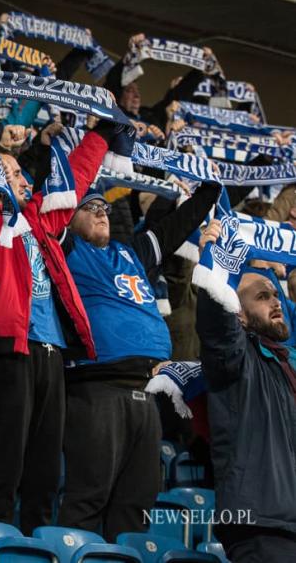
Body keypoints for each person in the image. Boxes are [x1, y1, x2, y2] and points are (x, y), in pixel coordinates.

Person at [0, 121, 113, 534]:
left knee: (44, 468)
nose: (22, 178)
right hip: (7, 349)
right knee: (8, 462)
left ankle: (35, 549)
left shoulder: (40, 221)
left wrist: (103, 135)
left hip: (51, 352)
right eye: (12, 172)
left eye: (21, 172)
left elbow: (71, 180)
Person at [57, 181, 220, 541]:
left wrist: (209, 192)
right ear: (69, 214)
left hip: (147, 392)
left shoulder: (130, 251)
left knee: (136, 506)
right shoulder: (67, 248)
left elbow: (173, 229)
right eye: (90, 207)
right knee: (89, 497)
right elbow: (54, 199)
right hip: (97, 388)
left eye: (104, 207)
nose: (102, 212)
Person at [194, 228, 296, 562]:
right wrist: (216, 265)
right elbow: (215, 323)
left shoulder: (287, 362)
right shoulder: (236, 360)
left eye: (275, 295)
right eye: (262, 297)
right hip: (261, 525)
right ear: (238, 311)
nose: (275, 301)